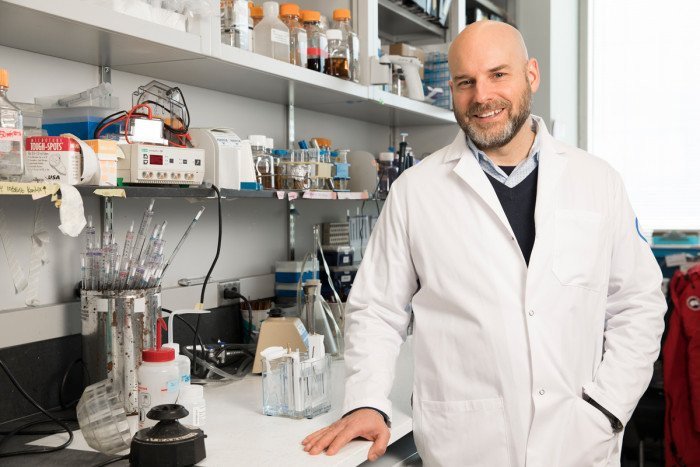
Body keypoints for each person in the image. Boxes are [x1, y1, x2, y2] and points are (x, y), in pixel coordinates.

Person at [302, 20, 666, 466]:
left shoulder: (598, 182)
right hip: (465, 447)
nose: (481, 96)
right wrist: (366, 401)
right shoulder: (416, 191)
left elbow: (637, 305)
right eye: (465, 82)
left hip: (579, 441)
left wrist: (607, 407)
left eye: (498, 74)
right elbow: (377, 308)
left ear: (531, 75)